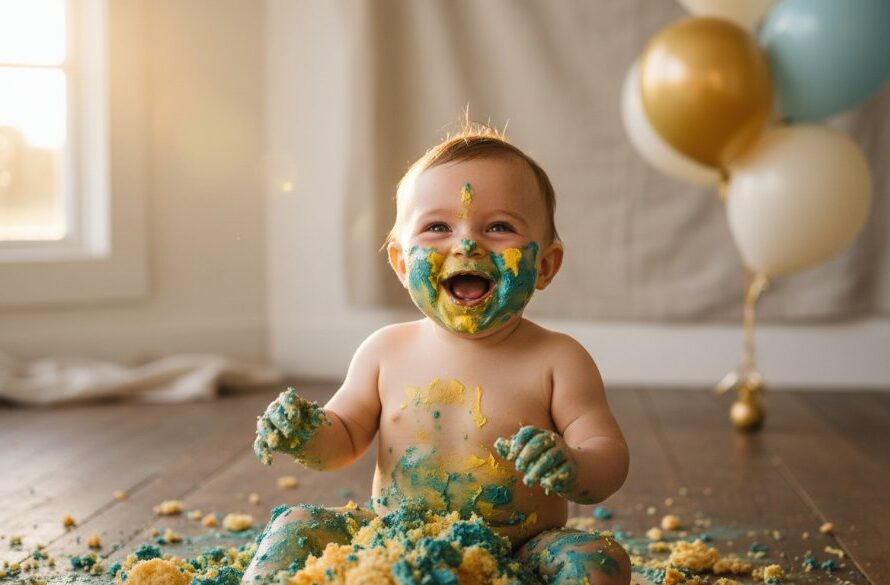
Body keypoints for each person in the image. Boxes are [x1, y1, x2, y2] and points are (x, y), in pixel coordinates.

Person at [243, 123, 631, 585]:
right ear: (401, 263)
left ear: (545, 265)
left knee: (598, 557)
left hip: (523, 551)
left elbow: (607, 455)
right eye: (437, 227)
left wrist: (572, 465)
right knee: (294, 524)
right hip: (391, 543)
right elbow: (342, 438)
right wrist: (305, 433)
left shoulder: (558, 359)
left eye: (499, 227)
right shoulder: (385, 351)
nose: (466, 244)